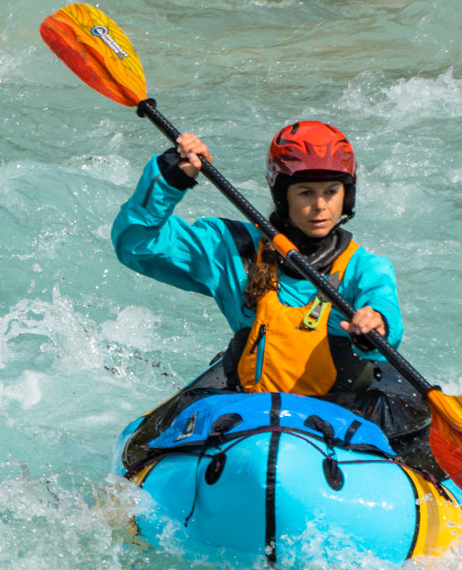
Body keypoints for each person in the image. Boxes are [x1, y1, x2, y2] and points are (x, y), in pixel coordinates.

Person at [112, 121, 437, 475]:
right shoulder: (233, 249)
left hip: (343, 409)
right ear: (283, 195)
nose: (320, 206)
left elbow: (383, 311)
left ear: (347, 195)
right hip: (250, 406)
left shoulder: (363, 267)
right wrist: (172, 177)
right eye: (305, 193)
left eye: (331, 191)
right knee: (150, 442)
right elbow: (136, 244)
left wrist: (374, 322)